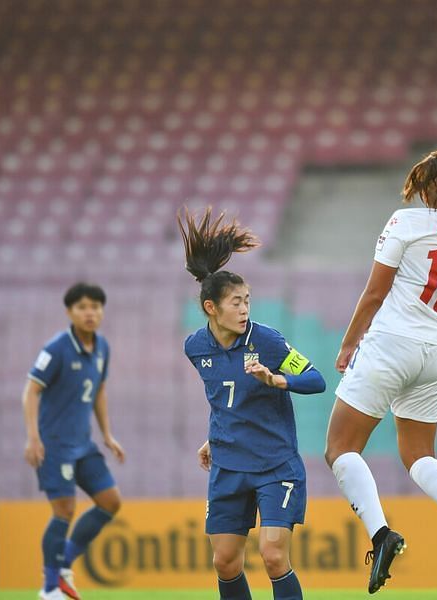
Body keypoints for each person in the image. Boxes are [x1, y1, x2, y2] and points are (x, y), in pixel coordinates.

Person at [324, 143, 437, 594]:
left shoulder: (406, 221)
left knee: (341, 448)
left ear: (425, 185)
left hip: (390, 344)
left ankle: (383, 535)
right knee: (418, 453)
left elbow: (375, 293)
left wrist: (348, 345)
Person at [179, 207, 326, 600]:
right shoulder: (195, 347)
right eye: (236, 302)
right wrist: (215, 437)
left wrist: (277, 380)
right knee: (225, 562)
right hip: (228, 464)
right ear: (212, 308)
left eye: (247, 300)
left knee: (273, 555)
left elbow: (316, 380)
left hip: (275, 465)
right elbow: (223, 399)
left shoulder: (269, 342)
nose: (245, 309)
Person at [23, 282, 126, 600]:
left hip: (83, 445)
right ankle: (50, 587)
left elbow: (99, 391)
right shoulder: (56, 348)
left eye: (95, 306)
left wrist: (107, 434)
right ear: (69, 312)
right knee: (63, 510)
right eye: (82, 307)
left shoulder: (102, 347)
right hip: (54, 445)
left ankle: (63, 562)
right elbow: (31, 390)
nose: (90, 313)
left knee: (110, 502)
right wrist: (33, 437)